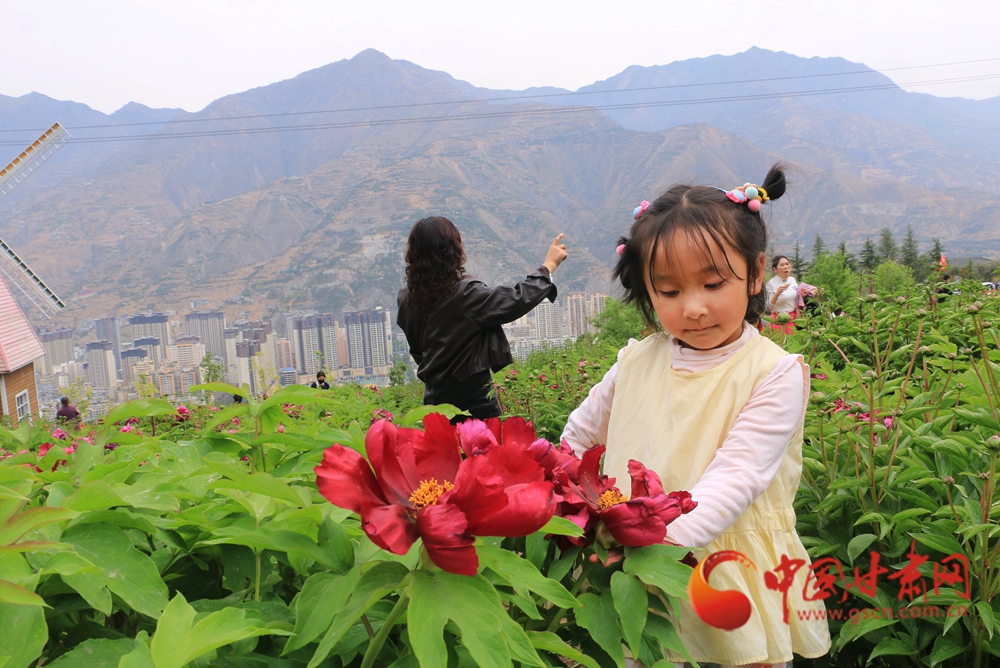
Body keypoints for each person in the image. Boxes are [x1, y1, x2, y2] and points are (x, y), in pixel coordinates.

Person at [561, 165, 830, 666]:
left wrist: (650, 543)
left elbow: (736, 479)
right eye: (669, 291)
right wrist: (561, 505)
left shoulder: (773, 373)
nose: (693, 308)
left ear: (755, 273)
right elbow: (576, 438)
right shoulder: (635, 361)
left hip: (728, 573)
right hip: (631, 566)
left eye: (712, 283)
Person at [397, 216, 567, 419]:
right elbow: (516, 299)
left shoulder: (406, 299)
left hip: (434, 402)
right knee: (484, 440)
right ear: (453, 249)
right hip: (475, 401)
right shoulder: (464, 294)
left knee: (443, 440)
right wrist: (548, 266)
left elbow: (418, 350)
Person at [765, 255, 798, 333]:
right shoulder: (771, 284)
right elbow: (768, 308)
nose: (786, 267)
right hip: (778, 320)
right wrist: (776, 295)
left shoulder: (792, 280)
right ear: (775, 269)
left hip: (792, 319)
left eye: (787, 264)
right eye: (782, 265)